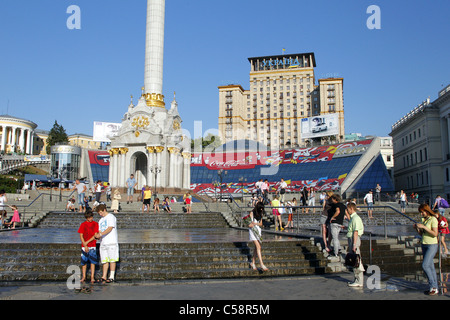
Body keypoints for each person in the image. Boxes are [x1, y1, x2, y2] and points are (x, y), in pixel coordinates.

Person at [414, 204, 439, 295]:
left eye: (422, 212)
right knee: (431, 267)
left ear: (427, 210)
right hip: (424, 244)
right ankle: (434, 287)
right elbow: (422, 234)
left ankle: (433, 286)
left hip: (432, 245)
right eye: (420, 212)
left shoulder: (433, 219)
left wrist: (424, 227)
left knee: (425, 265)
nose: (421, 214)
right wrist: (417, 229)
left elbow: (435, 234)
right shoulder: (424, 220)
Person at [95, 204, 119, 283]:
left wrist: (101, 234)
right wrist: (98, 236)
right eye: (99, 213)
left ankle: (111, 276)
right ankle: (104, 276)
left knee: (112, 259)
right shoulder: (101, 220)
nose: (100, 214)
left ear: (104, 210)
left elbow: (110, 228)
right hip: (103, 242)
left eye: (101, 212)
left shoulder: (111, 217)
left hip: (111, 241)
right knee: (105, 260)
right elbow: (100, 231)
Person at [346, 203, 365, 287]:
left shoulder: (355, 218)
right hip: (353, 239)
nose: (347, 211)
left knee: (357, 261)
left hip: (354, 240)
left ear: (351, 208)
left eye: (348, 209)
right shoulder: (353, 218)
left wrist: (354, 244)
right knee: (355, 261)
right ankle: (357, 279)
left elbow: (356, 232)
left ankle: (359, 281)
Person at [77, 209, 99, 284]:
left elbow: (95, 235)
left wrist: (86, 242)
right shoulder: (83, 224)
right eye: (88, 218)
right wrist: (85, 244)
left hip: (92, 245)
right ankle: (84, 277)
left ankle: (92, 277)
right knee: (84, 262)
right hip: (84, 246)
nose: (90, 219)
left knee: (93, 262)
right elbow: (81, 235)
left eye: (91, 217)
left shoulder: (95, 224)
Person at [248, 202, 269, 272]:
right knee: (258, 246)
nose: (261, 210)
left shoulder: (261, 213)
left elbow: (261, 224)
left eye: (262, 209)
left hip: (258, 231)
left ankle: (253, 263)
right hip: (252, 231)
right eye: (260, 208)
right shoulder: (252, 213)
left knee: (257, 247)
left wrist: (256, 223)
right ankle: (261, 263)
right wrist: (252, 224)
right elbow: (249, 224)